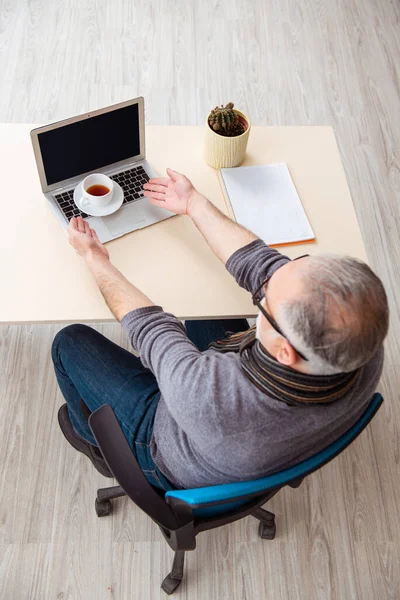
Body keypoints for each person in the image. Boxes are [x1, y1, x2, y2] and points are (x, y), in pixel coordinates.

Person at [52, 168, 389, 490]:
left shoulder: (205, 395)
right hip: (257, 443)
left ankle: (97, 445)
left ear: (285, 351)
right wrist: (193, 202)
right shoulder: (362, 338)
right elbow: (261, 263)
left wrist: (96, 257)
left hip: (163, 446)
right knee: (204, 300)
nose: (265, 281)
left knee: (69, 342)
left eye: (266, 300)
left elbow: (150, 327)